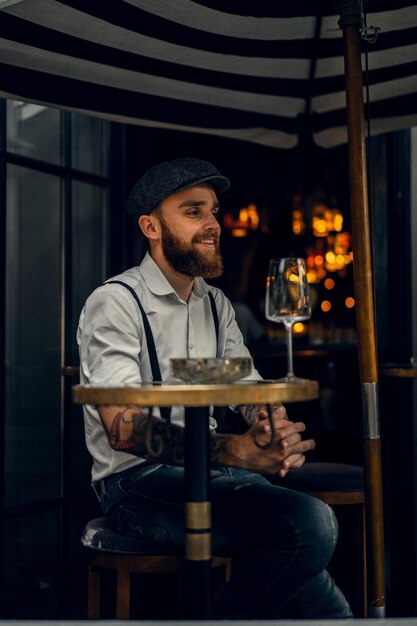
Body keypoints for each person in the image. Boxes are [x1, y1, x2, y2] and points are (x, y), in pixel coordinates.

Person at [77, 157, 352, 619]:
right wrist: (233, 452)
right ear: (151, 226)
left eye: (213, 211)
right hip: (136, 484)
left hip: (211, 476)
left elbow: (237, 383)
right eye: (193, 211)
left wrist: (268, 423)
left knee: (301, 534)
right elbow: (123, 429)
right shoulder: (116, 303)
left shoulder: (212, 303)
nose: (213, 225)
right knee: (309, 523)